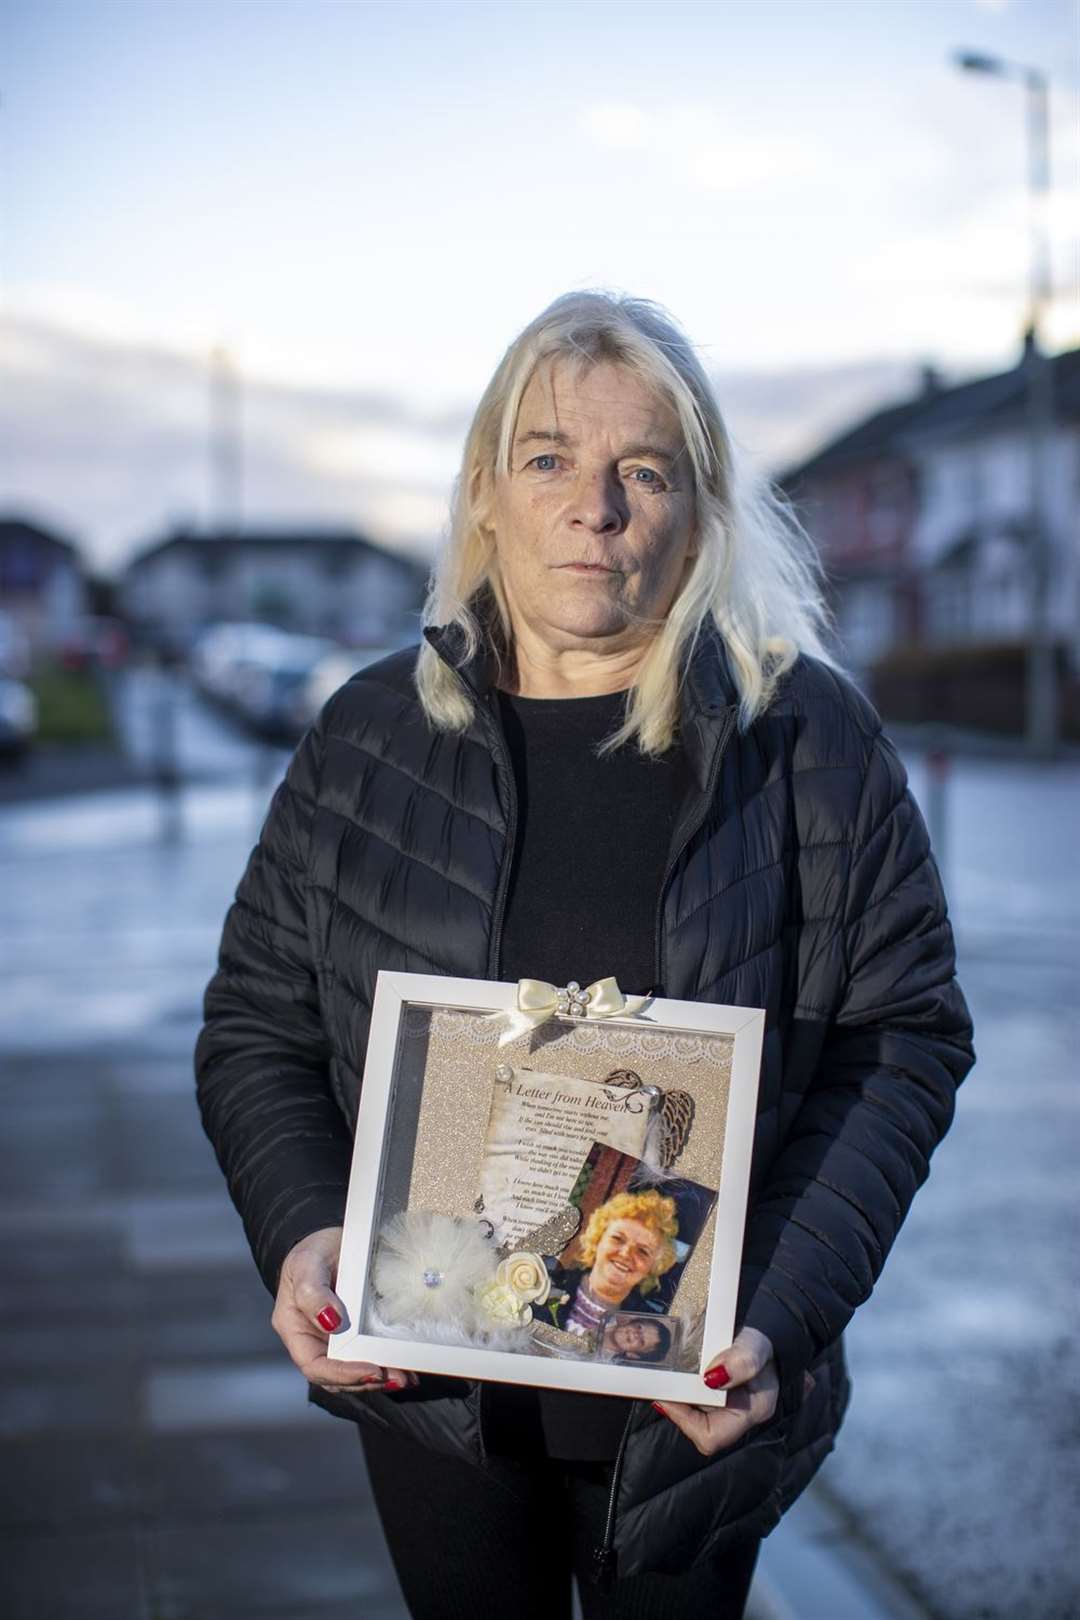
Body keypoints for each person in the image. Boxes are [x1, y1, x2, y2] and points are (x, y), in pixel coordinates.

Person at [194, 289, 975, 1620]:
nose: (593, 506)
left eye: (642, 471)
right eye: (549, 457)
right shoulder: (368, 738)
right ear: (486, 493)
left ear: (699, 510)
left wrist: (772, 1311)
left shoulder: (810, 743)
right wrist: (308, 1228)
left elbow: (901, 1040)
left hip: (691, 1421)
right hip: (440, 1404)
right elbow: (258, 1022)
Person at [548, 1188, 678, 1337]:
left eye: (643, 1251)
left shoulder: (649, 1328)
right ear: (597, 1241)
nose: (625, 1254)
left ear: (653, 1267)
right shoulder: (548, 1283)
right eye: (618, 1239)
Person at [602, 1316, 674, 1366]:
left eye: (642, 1342)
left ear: (633, 1355)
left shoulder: (602, 1363)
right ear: (631, 1321)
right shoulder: (603, 1313)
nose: (636, 1334)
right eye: (639, 1327)